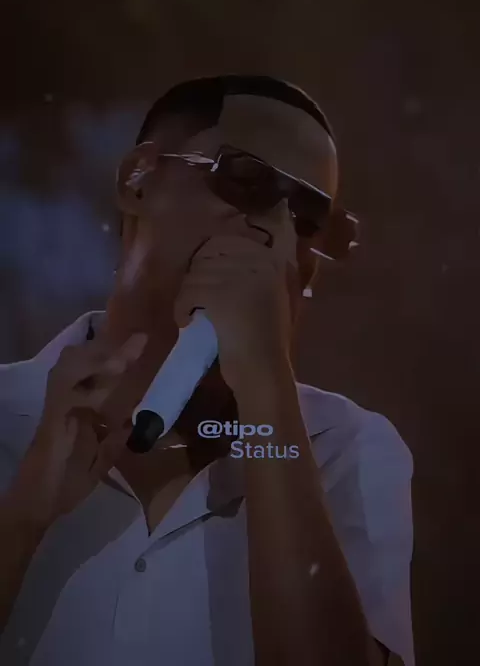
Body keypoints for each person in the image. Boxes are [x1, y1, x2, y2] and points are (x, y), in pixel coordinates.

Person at [0, 75, 414, 666]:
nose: (275, 234)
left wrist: (266, 385)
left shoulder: (346, 448)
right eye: (248, 181)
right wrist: (21, 520)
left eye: (308, 221)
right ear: (138, 179)